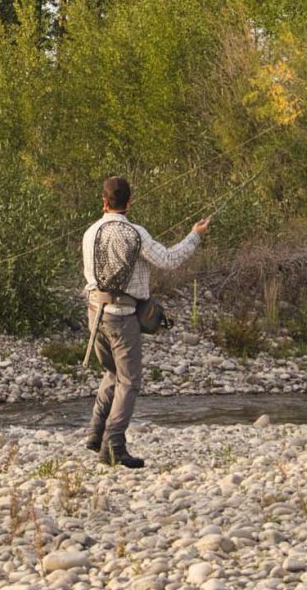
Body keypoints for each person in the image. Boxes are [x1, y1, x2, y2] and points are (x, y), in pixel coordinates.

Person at [82, 175, 211, 468]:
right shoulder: (136, 233)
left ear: (103, 203)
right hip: (122, 317)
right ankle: (113, 445)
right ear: (129, 202)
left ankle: (95, 432)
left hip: (93, 314)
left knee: (113, 372)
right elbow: (168, 260)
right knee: (129, 381)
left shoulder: (89, 232)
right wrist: (195, 234)